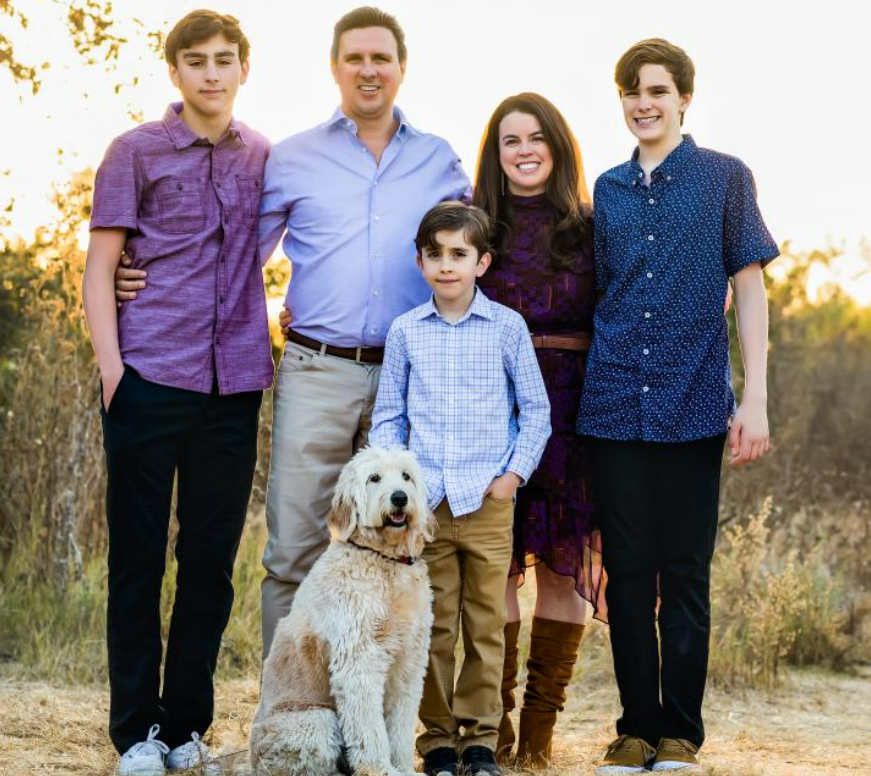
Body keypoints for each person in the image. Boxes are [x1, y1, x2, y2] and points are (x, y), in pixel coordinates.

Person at [113, 6, 471, 661]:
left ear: (401, 67)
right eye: (354, 58)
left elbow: (469, 258)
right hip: (317, 368)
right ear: (334, 68)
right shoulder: (293, 158)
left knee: (412, 542)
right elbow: (227, 256)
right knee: (296, 547)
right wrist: (132, 279)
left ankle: (392, 729)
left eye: (380, 58)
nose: (368, 70)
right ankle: (287, 717)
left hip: (407, 374)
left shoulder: (440, 160)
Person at [577, 39, 779, 774]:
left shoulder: (724, 179)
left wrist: (752, 397)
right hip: (612, 404)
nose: (643, 103)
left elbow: (750, 289)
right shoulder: (606, 189)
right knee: (626, 571)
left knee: (684, 571)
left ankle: (679, 737)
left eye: (657, 90)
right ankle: (634, 728)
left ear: (684, 97)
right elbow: (602, 291)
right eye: (631, 91)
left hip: (694, 400)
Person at [82, 11, 271, 776]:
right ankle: (134, 733)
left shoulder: (263, 155)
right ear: (175, 72)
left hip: (235, 386)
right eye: (195, 61)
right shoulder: (134, 152)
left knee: (209, 563)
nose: (211, 74)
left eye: (225, 60)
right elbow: (101, 266)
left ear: (242, 69)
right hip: (150, 376)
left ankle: (186, 725)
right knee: (135, 560)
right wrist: (111, 371)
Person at [370, 201, 551, 776]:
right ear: (420, 262)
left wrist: (510, 478)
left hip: (487, 500)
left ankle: (481, 739)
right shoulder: (406, 331)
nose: (447, 265)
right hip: (425, 509)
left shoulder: (506, 328)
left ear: (482, 262)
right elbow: (387, 418)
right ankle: (438, 742)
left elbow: (536, 412)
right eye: (436, 254)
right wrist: (400, 483)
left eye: (459, 254)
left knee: (486, 623)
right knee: (433, 623)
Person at [473, 92, 603, 767]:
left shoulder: (591, 225)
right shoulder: (476, 228)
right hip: (494, 414)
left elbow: (638, 293)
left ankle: (538, 739)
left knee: (562, 571)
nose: (523, 150)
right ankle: (489, 733)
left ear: (557, 145)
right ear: (494, 156)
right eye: (508, 140)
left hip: (575, 413)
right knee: (495, 567)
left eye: (535, 138)